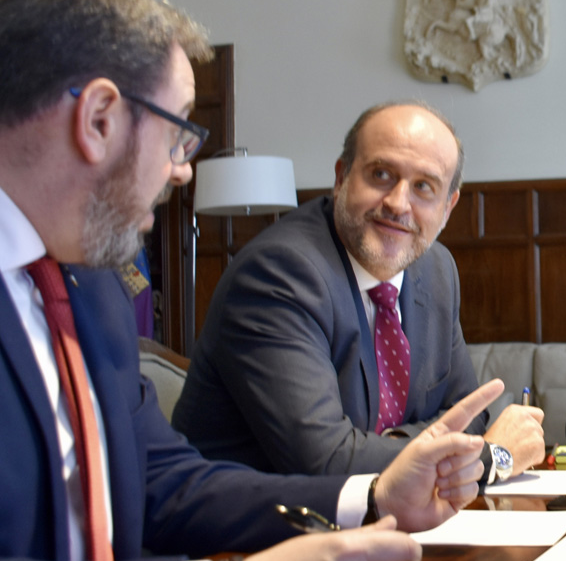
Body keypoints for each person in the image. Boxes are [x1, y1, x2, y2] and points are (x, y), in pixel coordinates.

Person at [0, 0, 496, 561]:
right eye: (178, 135)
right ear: (99, 119)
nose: (182, 171)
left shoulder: (91, 284)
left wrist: (374, 495)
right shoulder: (277, 267)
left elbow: (162, 483)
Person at [172, 102, 545, 482]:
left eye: (424, 187)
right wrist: (493, 456)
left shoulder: (436, 270)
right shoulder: (278, 273)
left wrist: (385, 446)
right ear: (342, 178)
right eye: (381, 174)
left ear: (448, 207)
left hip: (386, 513)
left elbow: (468, 413)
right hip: (258, 518)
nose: (398, 203)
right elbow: (327, 462)